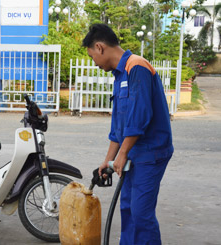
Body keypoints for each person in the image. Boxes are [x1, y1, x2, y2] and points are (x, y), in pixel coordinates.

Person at [82, 24, 173, 245]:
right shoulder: (119, 75)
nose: (93, 62)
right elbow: (119, 127)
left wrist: (121, 155)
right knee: (128, 209)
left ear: (100, 47)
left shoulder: (137, 67)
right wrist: (108, 160)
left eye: (92, 56)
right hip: (132, 152)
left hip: (150, 152)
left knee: (141, 213)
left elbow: (139, 118)